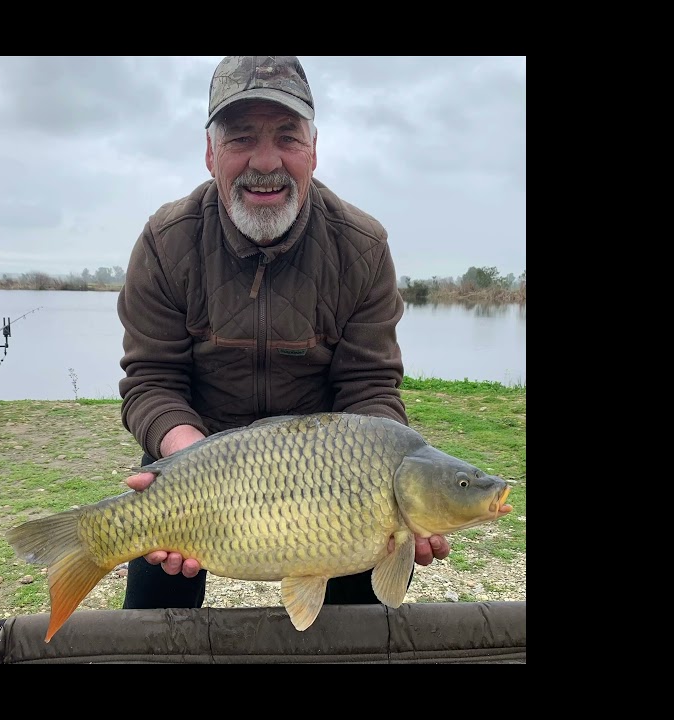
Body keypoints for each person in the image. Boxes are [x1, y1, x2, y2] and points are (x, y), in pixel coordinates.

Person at [115, 55, 449, 611]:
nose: (265, 162)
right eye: (241, 137)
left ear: (314, 151)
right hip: (196, 460)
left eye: (287, 138)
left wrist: (388, 477)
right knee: (152, 606)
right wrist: (189, 460)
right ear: (210, 153)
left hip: (328, 473)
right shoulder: (166, 241)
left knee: (364, 609)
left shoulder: (362, 246)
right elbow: (151, 381)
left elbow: (370, 387)